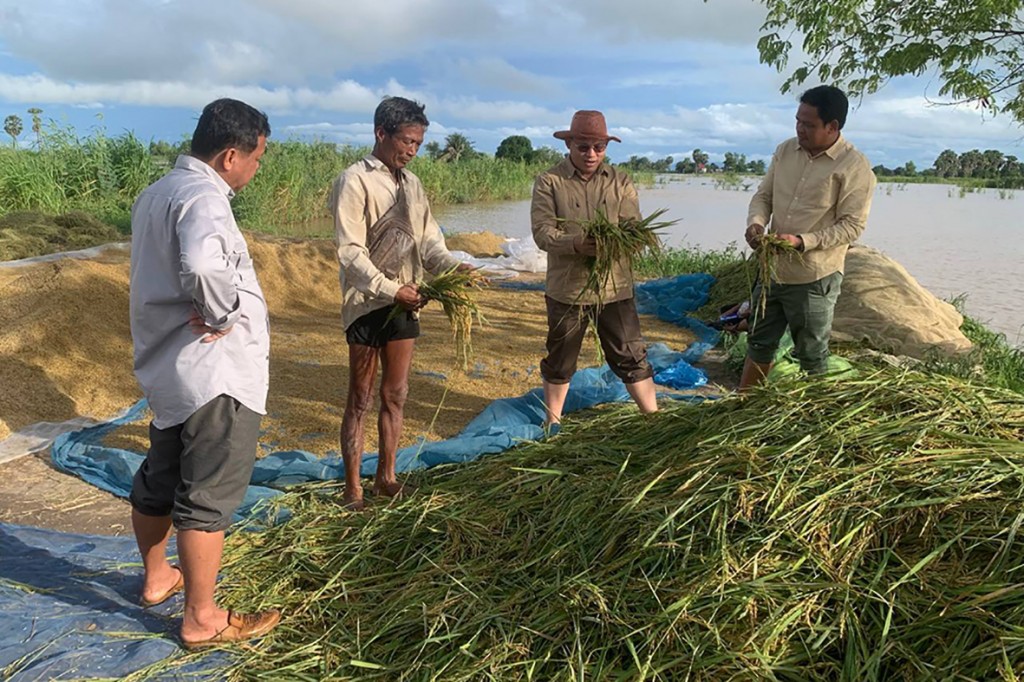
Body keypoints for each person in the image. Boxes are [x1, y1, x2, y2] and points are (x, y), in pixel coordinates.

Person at [128, 98, 280, 650]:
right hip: (213, 373)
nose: (256, 169)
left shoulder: (157, 192)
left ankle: (156, 577)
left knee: (160, 476)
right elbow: (199, 265)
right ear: (230, 155)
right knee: (208, 493)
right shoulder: (202, 197)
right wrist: (223, 313)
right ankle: (202, 617)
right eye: (257, 159)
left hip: (169, 368)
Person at [331, 96, 474, 511]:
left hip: (406, 302)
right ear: (381, 134)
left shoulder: (411, 185)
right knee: (360, 397)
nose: (412, 150)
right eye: (407, 141)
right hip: (367, 302)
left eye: (419, 143)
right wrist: (390, 289)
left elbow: (430, 243)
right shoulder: (355, 181)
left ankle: (386, 477)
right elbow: (349, 252)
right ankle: (353, 487)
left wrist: (451, 268)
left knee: (396, 393)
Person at [741, 85, 876, 389]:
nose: (800, 129)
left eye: (809, 124)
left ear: (833, 127)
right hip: (772, 270)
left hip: (814, 277)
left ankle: (812, 419)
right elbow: (763, 196)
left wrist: (801, 242)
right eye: (797, 121)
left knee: (812, 355)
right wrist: (757, 224)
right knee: (759, 341)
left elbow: (852, 226)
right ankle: (742, 403)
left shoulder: (854, 166)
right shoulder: (786, 151)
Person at [531, 110, 659, 428]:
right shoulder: (550, 181)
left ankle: (653, 419)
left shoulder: (621, 181)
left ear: (606, 147)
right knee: (561, 356)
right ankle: (553, 421)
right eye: (583, 147)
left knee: (630, 353)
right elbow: (542, 232)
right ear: (570, 144)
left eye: (598, 147)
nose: (591, 154)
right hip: (567, 288)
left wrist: (621, 242)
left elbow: (633, 229)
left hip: (615, 287)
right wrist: (577, 244)